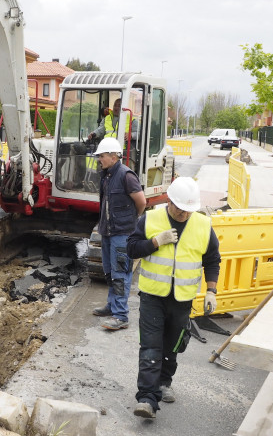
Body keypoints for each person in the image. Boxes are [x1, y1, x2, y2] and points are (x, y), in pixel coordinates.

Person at [127, 176, 221, 419]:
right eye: (180, 208)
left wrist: (211, 290)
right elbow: (132, 248)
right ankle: (147, 398)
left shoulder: (202, 225)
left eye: (189, 210)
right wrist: (155, 242)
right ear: (169, 201)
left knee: (173, 346)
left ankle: (163, 383)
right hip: (152, 296)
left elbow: (212, 259)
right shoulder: (151, 218)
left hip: (182, 300)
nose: (184, 214)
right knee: (150, 346)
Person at [91, 137, 147, 330]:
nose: (100, 159)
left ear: (114, 157)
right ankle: (112, 305)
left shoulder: (126, 175)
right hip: (107, 231)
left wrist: (132, 221)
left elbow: (141, 202)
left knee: (120, 274)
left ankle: (121, 315)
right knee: (109, 271)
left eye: (102, 156)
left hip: (122, 234)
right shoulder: (106, 175)